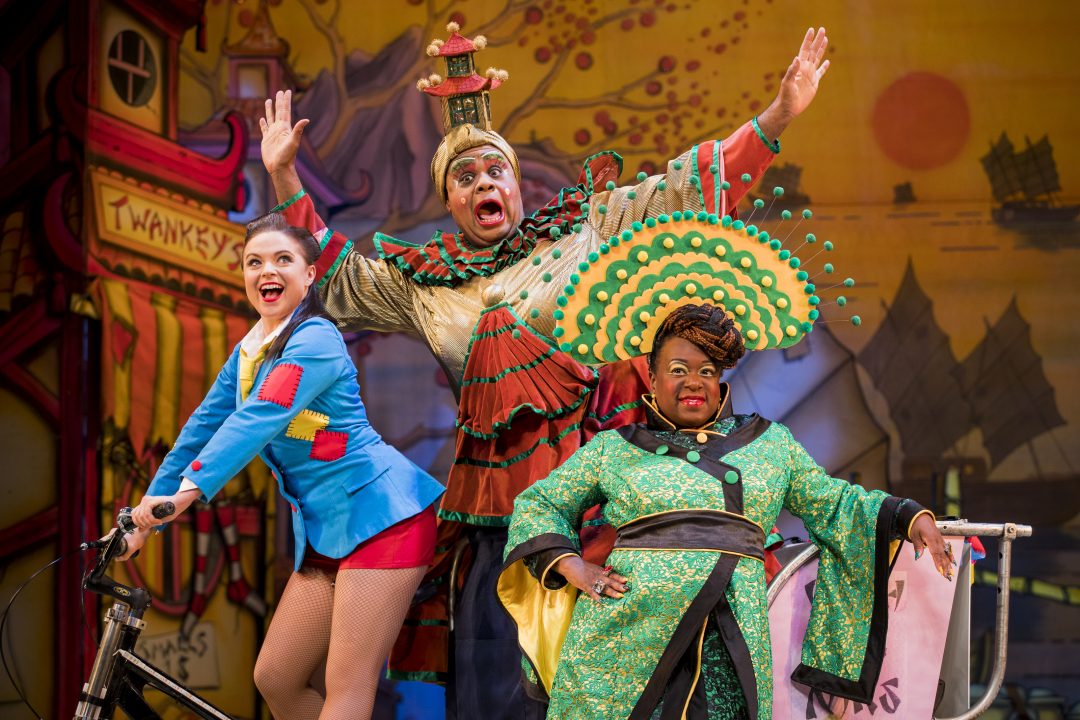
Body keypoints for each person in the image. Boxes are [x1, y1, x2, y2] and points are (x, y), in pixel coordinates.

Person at [259, 24, 832, 718]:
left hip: (601, 505)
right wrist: (285, 176)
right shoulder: (429, 284)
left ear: (515, 180)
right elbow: (340, 278)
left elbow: (684, 190)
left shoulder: (583, 229)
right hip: (495, 519)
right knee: (495, 689)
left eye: (493, 171)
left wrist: (775, 119)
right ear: (450, 199)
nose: (482, 185)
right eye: (464, 178)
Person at [497, 304, 952, 720]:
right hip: (624, 636)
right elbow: (540, 503)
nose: (693, 381)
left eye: (706, 371)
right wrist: (572, 566)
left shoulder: (770, 444)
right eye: (678, 370)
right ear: (652, 380)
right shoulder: (615, 449)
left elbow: (834, 502)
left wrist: (907, 515)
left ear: (720, 384)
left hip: (731, 633)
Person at [119, 213, 445, 720]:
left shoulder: (316, 340)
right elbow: (202, 428)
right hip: (326, 532)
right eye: (254, 262)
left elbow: (257, 418)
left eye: (282, 259)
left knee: (346, 683)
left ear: (310, 275)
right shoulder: (252, 350)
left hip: (385, 517)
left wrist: (184, 496)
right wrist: (143, 515)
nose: (266, 270)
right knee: (277, 677)